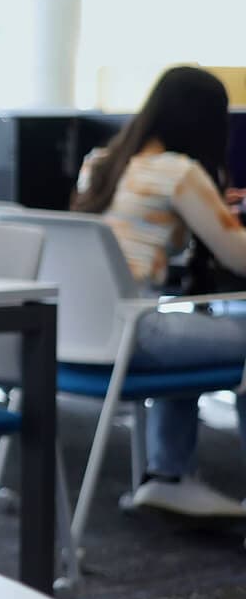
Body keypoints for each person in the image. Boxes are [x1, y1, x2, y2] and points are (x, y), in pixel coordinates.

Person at [72, 64, 246, 517]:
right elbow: (238, 256)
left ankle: (169, 473)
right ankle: (170, 472)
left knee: (194, 328)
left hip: (81, 332)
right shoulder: (177, 172)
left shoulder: (99, 164)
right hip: (137, 333)